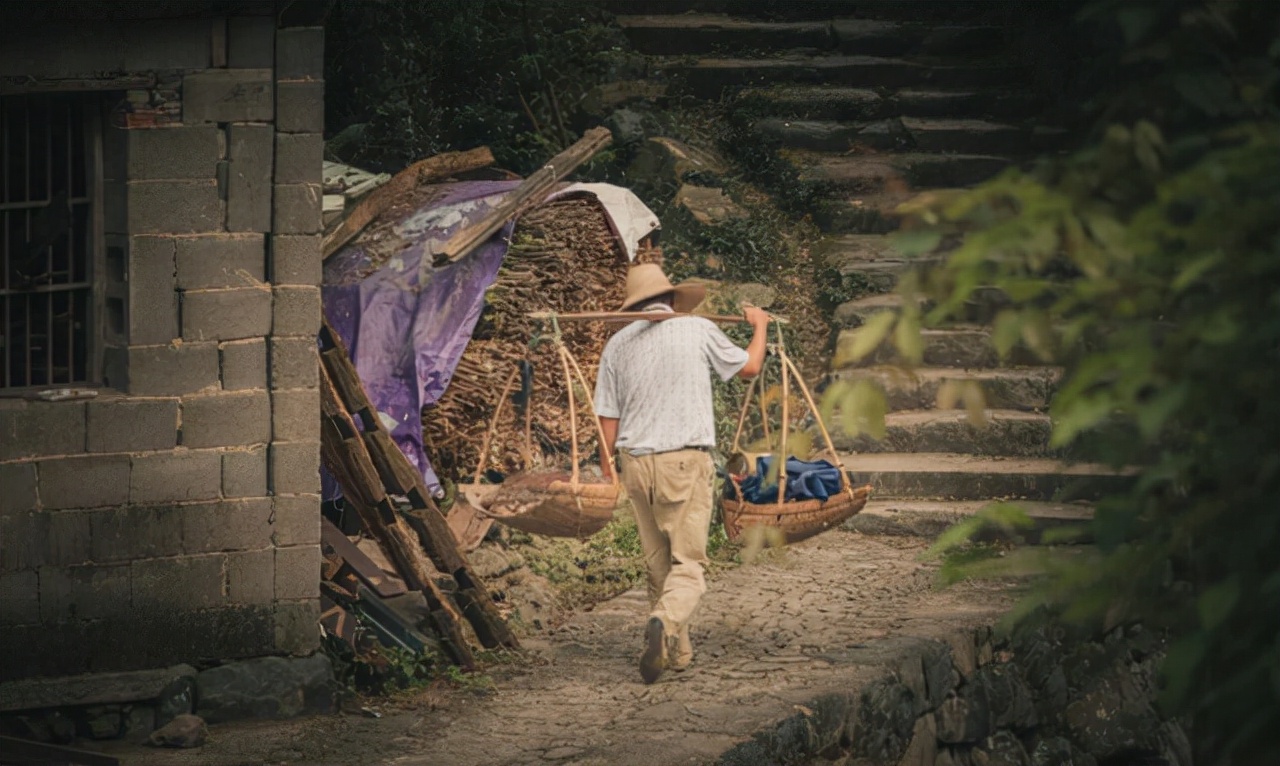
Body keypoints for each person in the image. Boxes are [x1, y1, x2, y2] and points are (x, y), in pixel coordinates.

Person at [593, 262, 769, 684]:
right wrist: (759, 325)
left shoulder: (616, 345)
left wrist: (608, 473)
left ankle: (676, 650)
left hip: (635, 464)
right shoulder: (696, 328)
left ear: (637, 306)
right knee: (688, 565)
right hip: (683, 464)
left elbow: (607, 418)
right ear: (672, 299)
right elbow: (749, 368)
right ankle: (664, 621)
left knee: (659, 565)